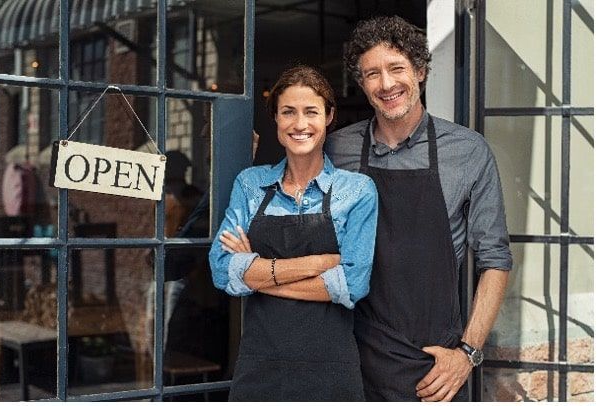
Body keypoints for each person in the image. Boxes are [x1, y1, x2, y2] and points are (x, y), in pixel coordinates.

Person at [325, 15, 512, 402]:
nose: (387, 84)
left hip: (435, 368)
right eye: (372, 73)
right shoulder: (335, 149)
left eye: (397, 68)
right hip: (349, 356)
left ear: (421, 71)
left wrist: (467, 353)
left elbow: (495, 259)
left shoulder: (467, 151)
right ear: (362, 84)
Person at [209, 65, 378, 401]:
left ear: (329, 116)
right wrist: (318, 263)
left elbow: (353, 284)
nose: (300, 124)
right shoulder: (251, 184)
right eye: (288, 112)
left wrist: (258, 274)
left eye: (311, 112)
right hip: (261, 366)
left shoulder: (357, 191)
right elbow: (220, 269)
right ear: (275, 119)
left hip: (331, 369)